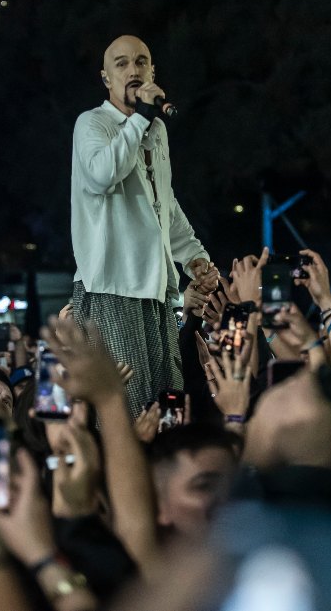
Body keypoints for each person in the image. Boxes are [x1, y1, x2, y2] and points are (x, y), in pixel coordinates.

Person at [70, 34, 218, 414]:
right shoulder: (92, 124)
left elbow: (164, 203)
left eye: (141, 62)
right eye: (121, 64)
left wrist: (195, 258)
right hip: (111, 289)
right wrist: (140, 119)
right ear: (106, 78)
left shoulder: (156, 130)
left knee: (167, 407)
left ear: (153, 71)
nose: (133, 70)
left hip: (157, 290)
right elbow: (102, 175)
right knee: (129, 407)